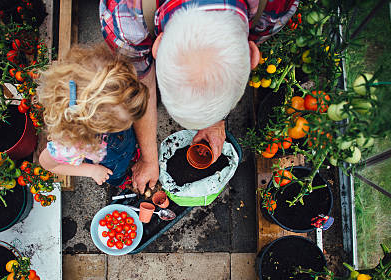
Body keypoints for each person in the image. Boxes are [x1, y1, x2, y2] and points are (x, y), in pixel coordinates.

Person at [100, 0, 298, 193]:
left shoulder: (276, 6)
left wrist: (215, 121)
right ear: (253, 55)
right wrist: (149, 159)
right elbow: (141, 86)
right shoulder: (125, 17)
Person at [37, 44, 149, 187]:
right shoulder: (71, 145)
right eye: (125, 121)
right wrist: (91, 170)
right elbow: (48, 164)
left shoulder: (106, 85)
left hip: (125, 144)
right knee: (117, 177)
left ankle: (132, 152)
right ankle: (121, 180)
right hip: (111, 166)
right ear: (97, 126)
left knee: (130, 144)